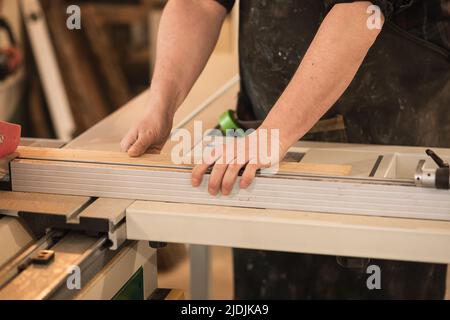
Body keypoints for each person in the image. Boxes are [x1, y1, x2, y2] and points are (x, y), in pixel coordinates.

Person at [121, 0, 450, 299]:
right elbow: (200, 4)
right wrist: (160, 107)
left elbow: (360, 13)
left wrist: (273, 135)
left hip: (386, 141)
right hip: (265, 141)